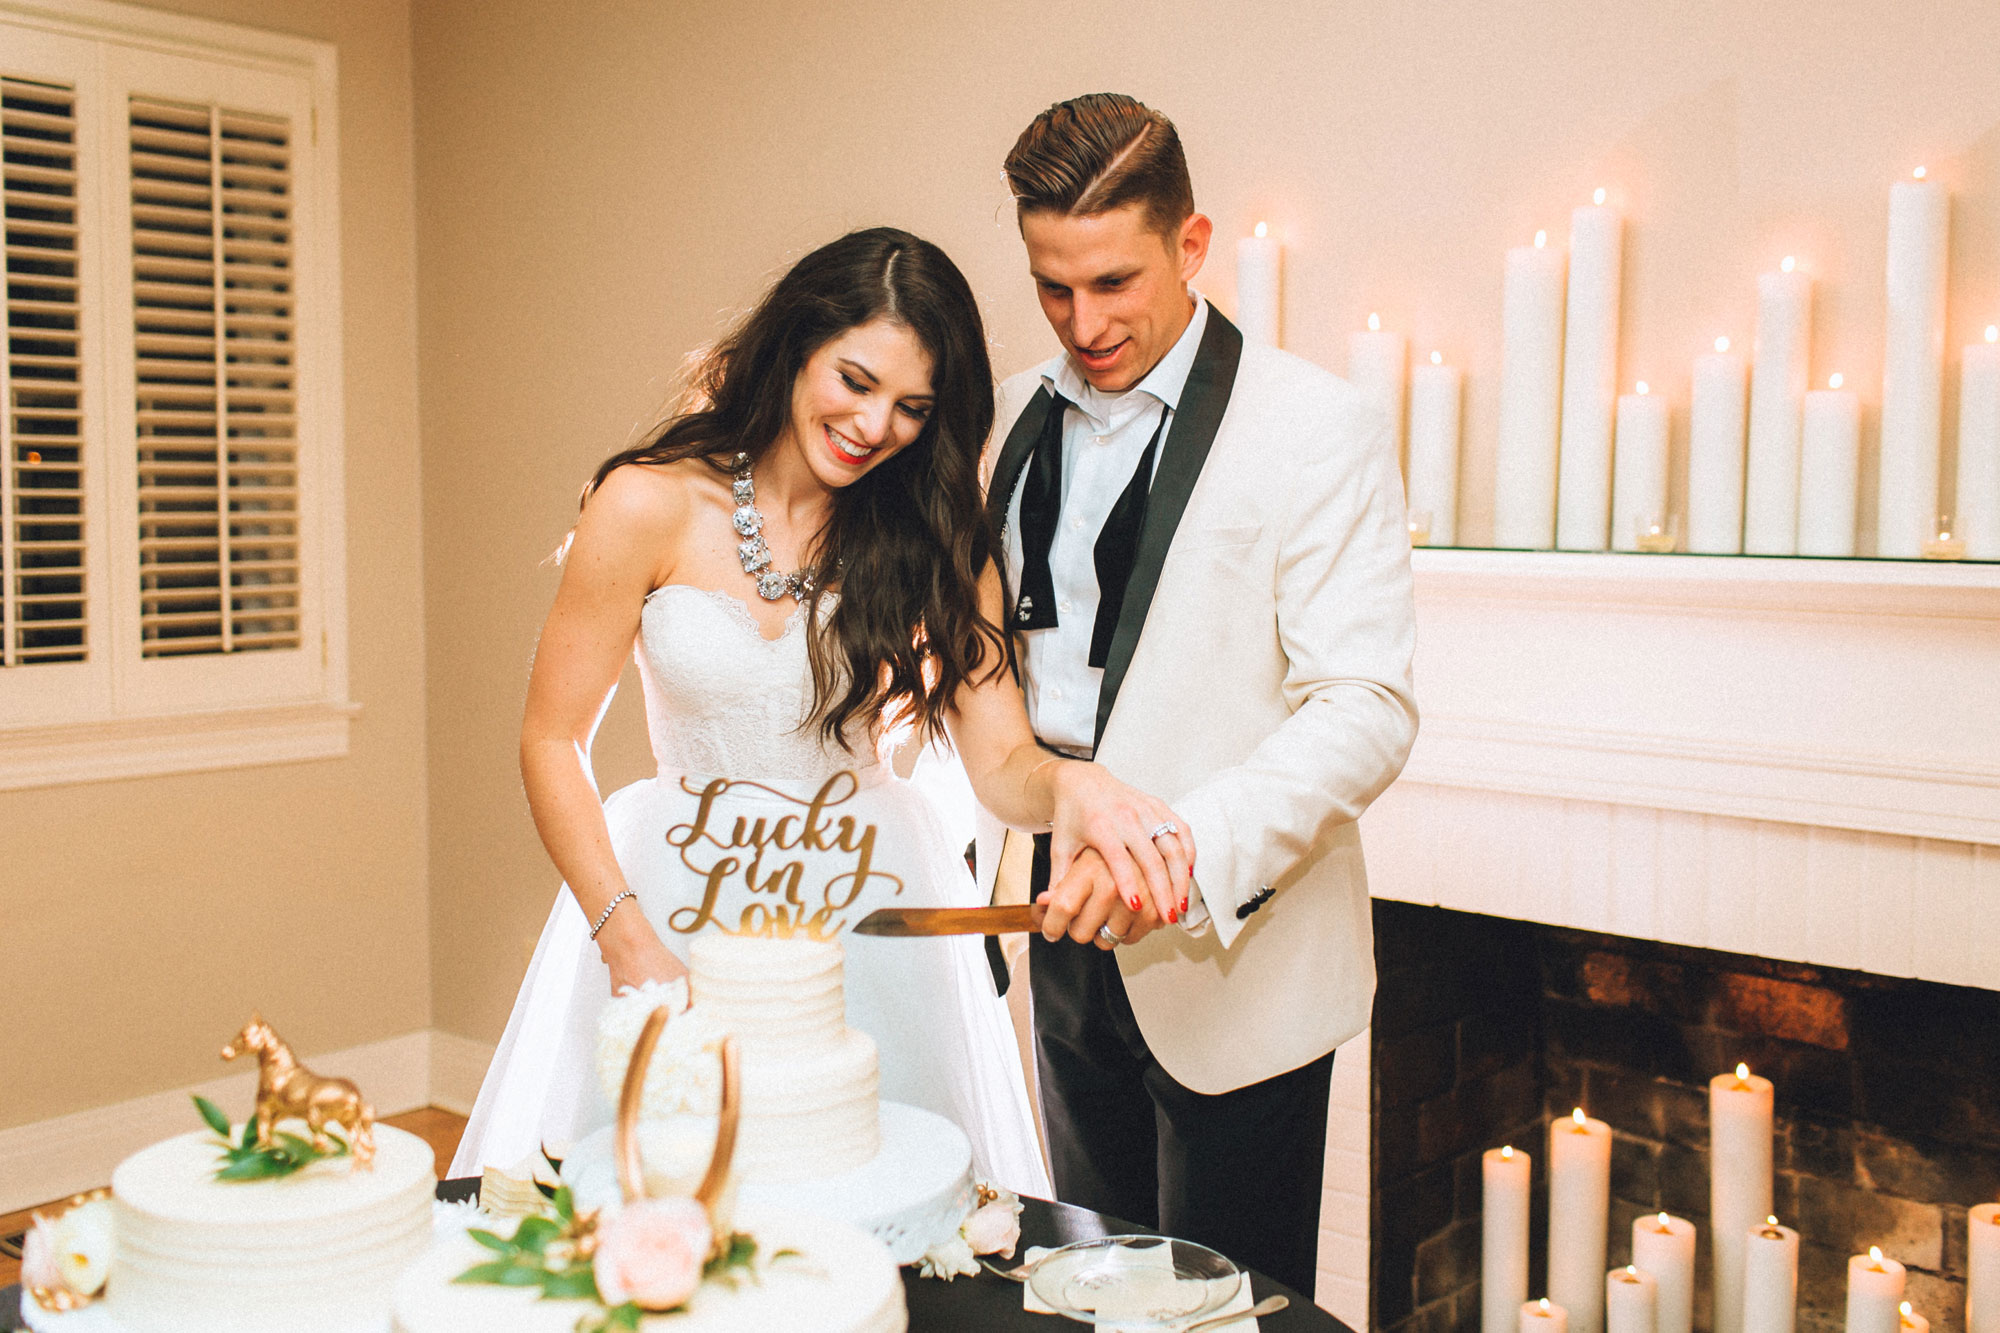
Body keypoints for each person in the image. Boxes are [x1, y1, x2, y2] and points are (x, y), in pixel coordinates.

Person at [450, 227, 1195, 1194]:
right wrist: (625, 936)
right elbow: (550, 740)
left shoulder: (932, 537)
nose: (874, 423)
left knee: (868, 1213)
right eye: (854, 379)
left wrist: (1078, 788)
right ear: (797, 343)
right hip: (674, 903)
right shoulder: (645, 504)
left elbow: (1003, 759)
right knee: (667, 1212)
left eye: (912, 407)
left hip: (869, 906)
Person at [974, 94, 1419, 1292]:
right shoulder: (1008, 417)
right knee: (1093, 1286)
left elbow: (1366, 706)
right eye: (1051, 287)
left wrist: (1175, 849)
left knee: (1230, 1305)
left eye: (1114, 281)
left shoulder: (1316, 426)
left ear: (1190, 242)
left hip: (1236, 938)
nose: (1083, 322)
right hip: (1058, 922)